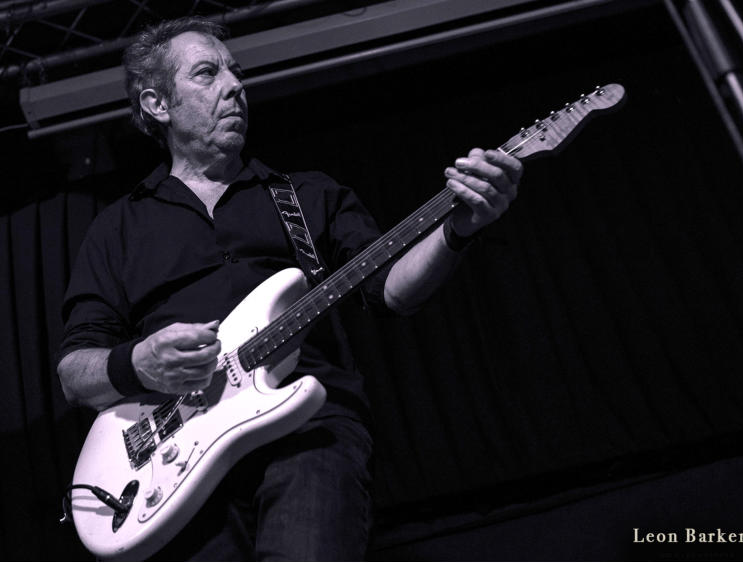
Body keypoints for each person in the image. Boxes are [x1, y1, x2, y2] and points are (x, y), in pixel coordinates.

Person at [57, 16, 523, 561]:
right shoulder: (116, 229)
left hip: (308, 430)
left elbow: (392, 292)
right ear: (158, 105)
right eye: (207, 73)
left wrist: (456, 231)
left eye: (236, 72)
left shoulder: (307, 196)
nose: (235, 85)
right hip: (176, 463)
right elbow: (74, 373)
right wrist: (139, 363)